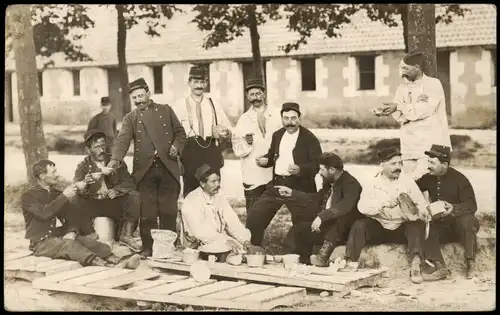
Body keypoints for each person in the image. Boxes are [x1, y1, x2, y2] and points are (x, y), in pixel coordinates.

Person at [108, 77, 187, 258]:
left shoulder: (166, 110)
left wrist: (176, 146)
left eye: (141, 96)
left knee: (168, 210)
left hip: (168, 166)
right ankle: (148, 247)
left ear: (149, 93)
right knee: (147, 212)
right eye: (135, 98)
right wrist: (114, 160)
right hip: (145, 171)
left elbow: (180, 133)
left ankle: (168, 247)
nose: (138, 101)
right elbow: (122, 141)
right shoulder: (131, 118)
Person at [21, 159, 140, 269]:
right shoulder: (28, 196)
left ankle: (117, 260)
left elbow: (72, 213)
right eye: (54, 172)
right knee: (69, 245)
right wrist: (64, 196)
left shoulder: (54, 193)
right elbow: (43, 214)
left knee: (87, 242)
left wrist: (72, 231)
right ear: (42, 176)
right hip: (40, 243)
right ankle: (105, 265)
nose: (57, 174)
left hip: (56, 236)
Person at [342, 146, 430, 284]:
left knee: (417, 225)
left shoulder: (407, 181)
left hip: (402, 228)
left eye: (400, 163)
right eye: (393, 164)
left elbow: (421, 203)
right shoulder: (372, 183)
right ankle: (351, 262)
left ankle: (416, 265)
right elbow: (362, 207)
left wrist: (423, 212)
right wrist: (383, 204)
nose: (398, 167)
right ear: (382, 164)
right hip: (380, 227)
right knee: (359, 225)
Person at [245, 102, 323, 254]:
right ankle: (252, 249)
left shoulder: (309, 138)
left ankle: (302, 257)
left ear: (299, 118)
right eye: (286, 118)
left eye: (293, 118)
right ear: (281, 118)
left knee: (303, 224)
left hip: (300, 186)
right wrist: (265, 161)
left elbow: (317, 165)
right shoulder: (278, 134)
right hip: (277, 184)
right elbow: (273, 156)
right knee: (255, 216)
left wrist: (300, 169)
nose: (290, 122)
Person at [373, 50, 451, 180]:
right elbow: (400, 115)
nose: (402, 72)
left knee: (427, 181)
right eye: (401, 68)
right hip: (409, 145)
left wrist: (401, 108)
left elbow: (425, 110)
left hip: (429, 143)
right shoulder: (402, 88)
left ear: (417, 67)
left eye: (405, 68)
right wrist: (389, 110)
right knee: (409, 183)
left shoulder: (433, 84)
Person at [275, 152, 363, 266]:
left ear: (331, 169)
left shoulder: (351, 184)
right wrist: (292, 193)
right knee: (299, 229)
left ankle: (323, 257)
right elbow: (316, 197)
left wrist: (321, 217)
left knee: (340, 219)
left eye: (322, 169)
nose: (319, 172)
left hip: (344, 230)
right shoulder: (330, 182)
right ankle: (290, 257)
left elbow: (344, 206)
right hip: (329, 226)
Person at [71, 129, 142, 252]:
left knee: (134, 196)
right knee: (73, 199)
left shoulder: (114, 162)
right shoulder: (83, 166)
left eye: (103, 145)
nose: (101, 150)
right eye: (96, 147)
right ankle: (84, 234)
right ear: (88, 149)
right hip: (92, 205)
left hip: (111, 204)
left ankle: (127, 234)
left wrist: (117, 190)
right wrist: (86, 184)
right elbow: (77, 187)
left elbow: (129, 183)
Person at [417, 145, 480, 280]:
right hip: (442, 227)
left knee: (468, 221)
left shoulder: (460, 179)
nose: (429, 166)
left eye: (432, 163)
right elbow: (412, 188)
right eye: (428, 162)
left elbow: (472, 205)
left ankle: (471, 263)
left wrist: (454, 208)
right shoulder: (428, 178)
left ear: (444, 164)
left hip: (460, 227)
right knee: (424, 227)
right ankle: (440, 267)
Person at [172, 66, 233, 197]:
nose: (198, 86)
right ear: (189, 83)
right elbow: (172, 132)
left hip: (211, 152)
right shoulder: (179, 105)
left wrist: (224, 133)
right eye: (195, 82)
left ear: (206, 83)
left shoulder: (214, 104)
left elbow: (228, 128)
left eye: (201, 82)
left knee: (213, 190)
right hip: (190, 154)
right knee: (191, 193)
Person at [232, 78, 282, 213]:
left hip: (273, 171)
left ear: (264, 93)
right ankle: (254, 234)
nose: (255, 98)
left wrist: (273, 158)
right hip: (253, 173)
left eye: (258, 93)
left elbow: (285, 140)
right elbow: (237, 148)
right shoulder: (243, 119)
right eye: (252, 94)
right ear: (247, 96)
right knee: (254, 212)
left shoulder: (277, 115)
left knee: (270, 209)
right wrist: (247, 143)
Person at [180, 164, 251, 253]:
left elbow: (233, 221)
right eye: (213, 181)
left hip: (220, 240)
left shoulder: (219, 198)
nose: (218, 184)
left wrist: (245, 240)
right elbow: (200, 232)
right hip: (197, 245)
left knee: (243, 251)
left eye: (218, 180)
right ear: (202, 183)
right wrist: (225, 240)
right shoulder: (192, 200)